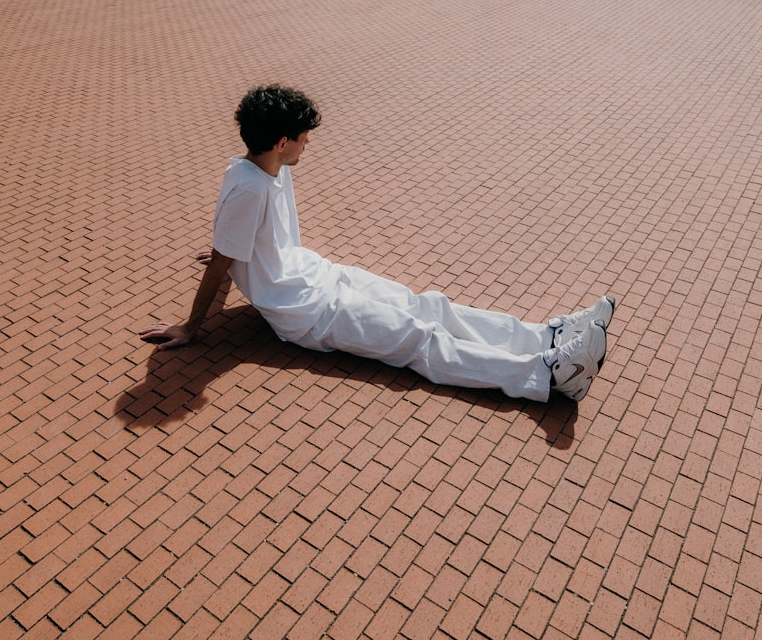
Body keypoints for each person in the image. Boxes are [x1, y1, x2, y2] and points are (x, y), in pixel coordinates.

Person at [139, 84, 615, 402]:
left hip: (319, 274)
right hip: (306, 311)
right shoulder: (250, 185)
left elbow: (232, 241)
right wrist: (193, 324)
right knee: (417, 339)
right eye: (304, 139)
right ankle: (547, 375)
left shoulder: (260, 168)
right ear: (282, 140)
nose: (308, 145)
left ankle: (546, 336)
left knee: (429, 307)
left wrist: (235, 252)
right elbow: (226, 250)